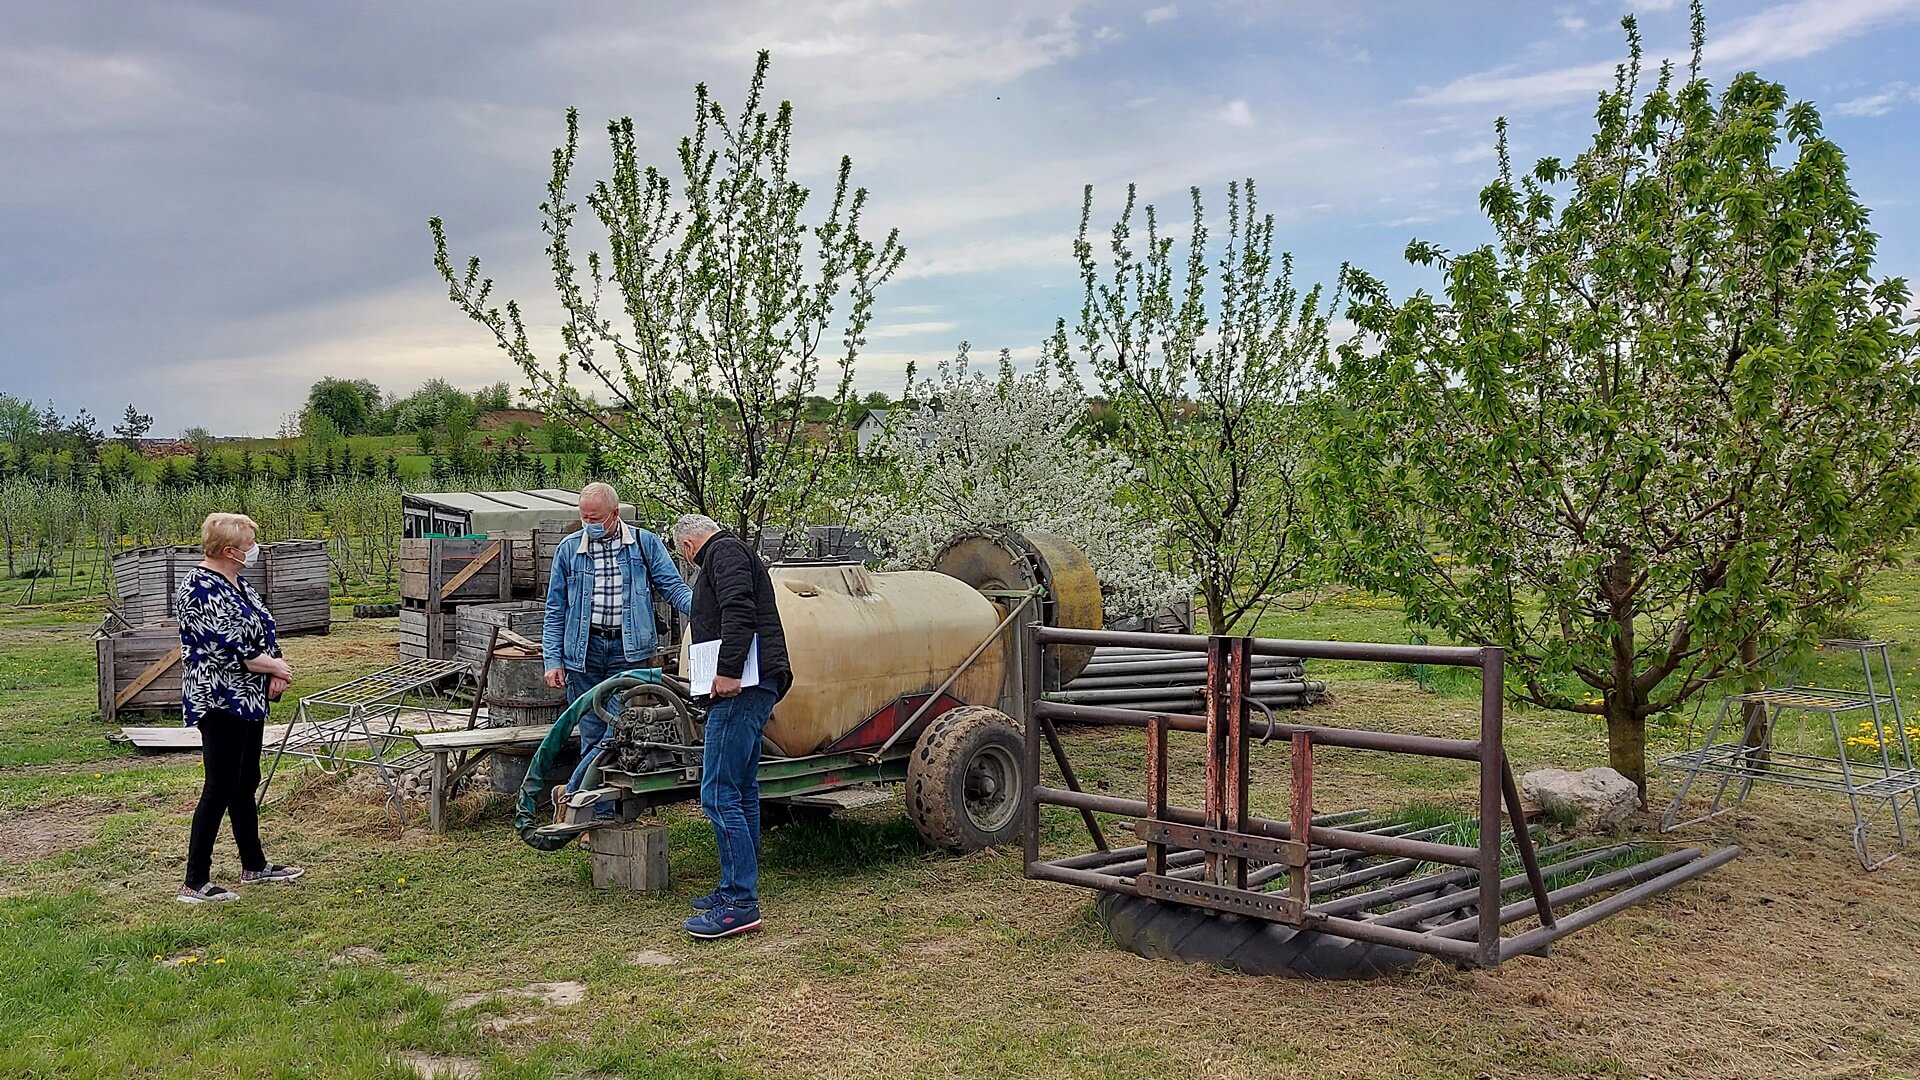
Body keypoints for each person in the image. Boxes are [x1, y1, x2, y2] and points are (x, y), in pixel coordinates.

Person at [671, 513, 792, 939]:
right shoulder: (732, 552)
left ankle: (741, 902)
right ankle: (733, 888)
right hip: (750, 683)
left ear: (688, 546)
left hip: (741, 686)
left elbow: (739, 610)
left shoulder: (723, 553)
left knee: (718, 791)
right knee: (740, 789)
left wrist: (727, 670)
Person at [174, 513, 304, 903]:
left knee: (246, 780)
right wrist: (274, 666)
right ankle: (195, 880)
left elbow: (263, 629)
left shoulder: (239, 583)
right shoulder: (198, 587)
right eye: (249, 544)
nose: (255, 550)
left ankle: (254, 865)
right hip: (218, 698)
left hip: (249, 696)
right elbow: (226, 645)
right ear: (229, 550)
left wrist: (275, 668)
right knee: (220, 785)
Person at [542, 483, 693, 818]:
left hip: (629, 650)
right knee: (594, 730)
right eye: (583, 517)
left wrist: (707, 610)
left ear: (614, 515)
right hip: (584, 652)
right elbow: (555, 609)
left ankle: (583, 801)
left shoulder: (642, 544)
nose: (588, 523)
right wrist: (553, 659)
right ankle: (593, 808)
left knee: (620, 731)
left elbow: (672, 587)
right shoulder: (569, 550)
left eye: (594, 517)